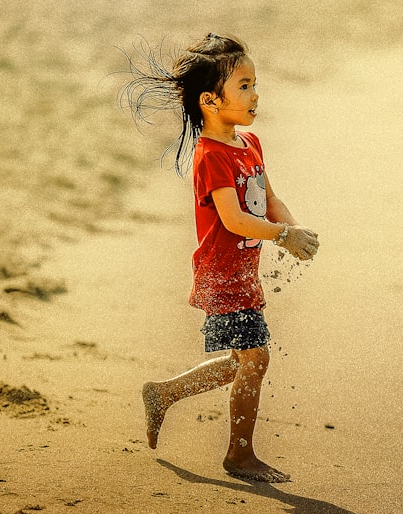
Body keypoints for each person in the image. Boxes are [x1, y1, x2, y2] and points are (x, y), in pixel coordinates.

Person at [123, 33, 319, 482]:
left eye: (254, 84)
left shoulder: (250, 146)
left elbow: (269, 198)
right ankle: (239, 455)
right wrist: (284, 236)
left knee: (240, 360)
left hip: (243, 271)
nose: (255, 94)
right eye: (244, 86)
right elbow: (233, 220)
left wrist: (294, 229)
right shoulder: (210, 156)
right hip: (221, 273)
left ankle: (164, 394)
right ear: (211, 100)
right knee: (255, 358)